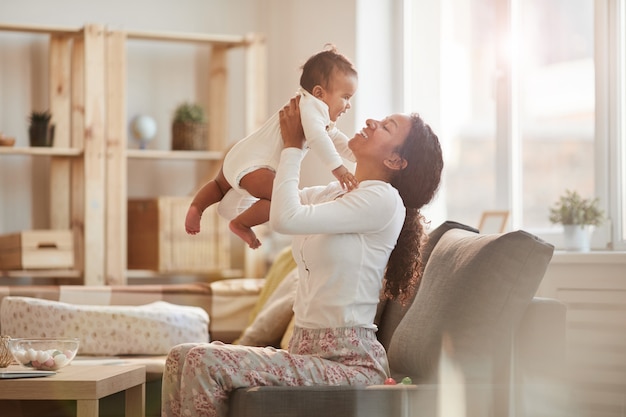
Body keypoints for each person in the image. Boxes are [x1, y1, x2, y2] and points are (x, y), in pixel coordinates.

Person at [162, 96, 444, 417]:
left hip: (350, 364)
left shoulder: (383, 200)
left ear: (396, 161)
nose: (370, 122)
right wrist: (245, 168)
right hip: (306, 353)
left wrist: (293, 147)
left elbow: (287, 218)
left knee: (202, 360)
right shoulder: (332, 194)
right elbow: (278, 200)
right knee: (179, 356)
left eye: (386, 127)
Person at [185, 46, 360, 250]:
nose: (348, 105)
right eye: (346, 97)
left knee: (219, 186)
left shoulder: (308, 107)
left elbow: (335, 138)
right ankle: (241, 223)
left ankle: (197, 207)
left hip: (239, 156)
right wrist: (339, 169)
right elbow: (318, 138)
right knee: (280, 199)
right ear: (319, 93)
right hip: (256, 165)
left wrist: (358, 156)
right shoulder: (313, 108)